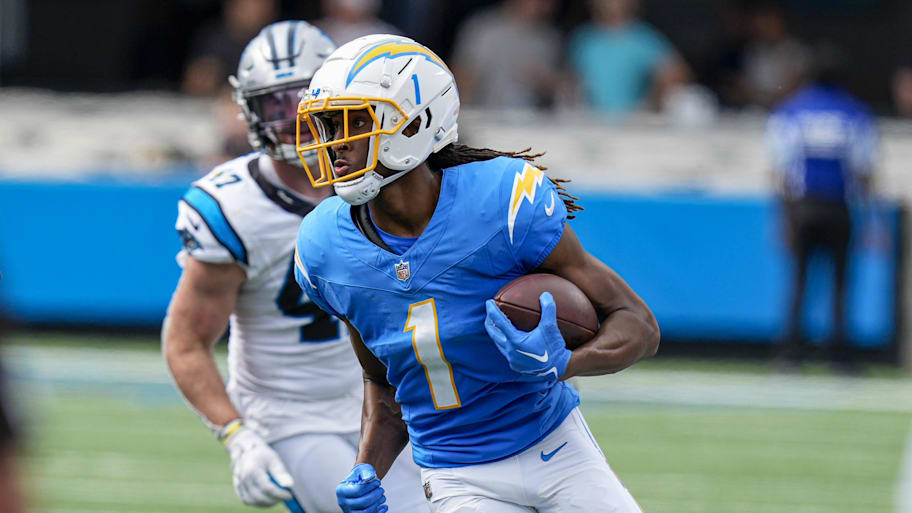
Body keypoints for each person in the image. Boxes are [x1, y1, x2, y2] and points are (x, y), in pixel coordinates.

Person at [292, 35, 660, 513]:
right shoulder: (325, 248)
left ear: (416, 122)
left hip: (556, 448)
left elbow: (639, 325)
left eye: (355, 122)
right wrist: (367, 468)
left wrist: (564, 364)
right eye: (327, 125)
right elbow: (385, 387)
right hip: (457, 476)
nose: (334, 144)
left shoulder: (502, 203)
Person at [162, 22, 427, 513]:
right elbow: (186, 341)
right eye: (274, 104)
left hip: (391, 399)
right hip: (292, 417)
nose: (291, 119)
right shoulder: (233, 208)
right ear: (248, 109)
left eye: (303, 99)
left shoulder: (387, 173)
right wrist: (237, 435)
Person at [766, 43, 879, 372]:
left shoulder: (791, 110)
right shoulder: (855, 113)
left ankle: (790, 354)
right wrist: (873, 220)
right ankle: (840, 356)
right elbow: (865, 170)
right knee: (841, 283)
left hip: (803, 206)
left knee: (799, 281)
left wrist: (783, 217)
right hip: (838, 206)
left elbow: (781, 170)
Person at [566, 0, 691, 115]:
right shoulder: (584, 39)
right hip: (590, 121)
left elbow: (677, 73)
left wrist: (652, 102)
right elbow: (572, 80)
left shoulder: (642, 38)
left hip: (631, 124)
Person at [450, 0, 563, 110]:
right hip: (485, 118)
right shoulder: (483, 30)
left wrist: (547, 81)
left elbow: (559, 92)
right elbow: (462, 81)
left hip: (532, 122)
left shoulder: (549, 39)